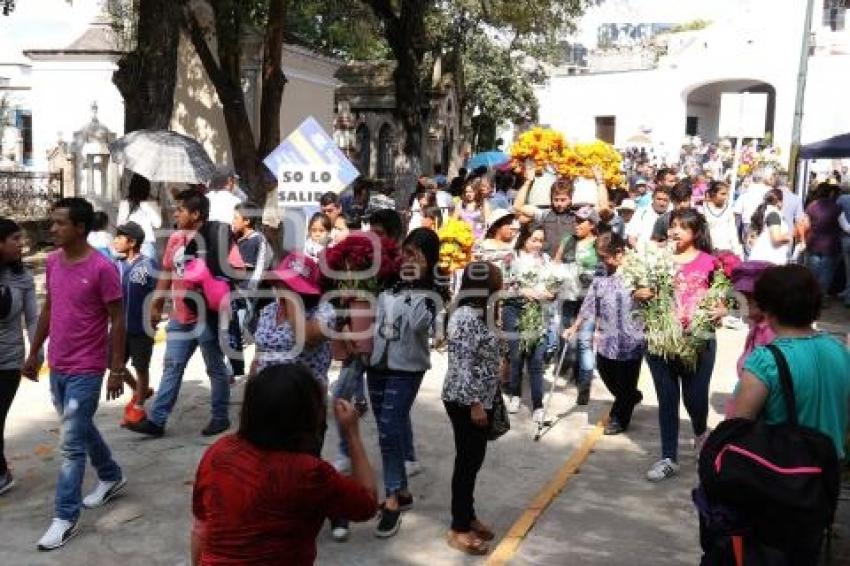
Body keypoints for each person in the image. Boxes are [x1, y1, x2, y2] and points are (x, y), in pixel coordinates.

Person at [191, 363, 378, 565]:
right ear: (308, 415)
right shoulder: (309, 472)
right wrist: (351, 433)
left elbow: (201, 529)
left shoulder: (219, 452)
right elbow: (367, 503)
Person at [22, 198, 127, 551]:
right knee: (79, 427)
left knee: (70, 444)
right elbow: (50, 307)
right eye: (52, 222)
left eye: (59, 223)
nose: (52, 229)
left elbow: (118, 319)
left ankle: (65, 516)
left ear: (79, 228)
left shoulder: (102, 268)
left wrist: (115, 369)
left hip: (88, 366)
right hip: (59, 363)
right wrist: (35, 350)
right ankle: (111, 474)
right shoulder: (52, 262)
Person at [732, 265, 850, 561]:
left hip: (780, 482)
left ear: (768, 309)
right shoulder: (839, 351)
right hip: (825, 479)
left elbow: (735, 431)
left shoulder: (766, 361)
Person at [126, 188, 244, 438]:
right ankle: (157, 421)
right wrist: (156, 306)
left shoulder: (217, 236)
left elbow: (238, 270)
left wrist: (207, 275)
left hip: (206, 317)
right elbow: (167, 274)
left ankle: (220, 417)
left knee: (215, 368)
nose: (176, 214)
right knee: (172, 366)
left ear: (196, 214)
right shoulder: (175, 239)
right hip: (180, 317)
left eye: (180, 210)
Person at [636, 208, 725, 482]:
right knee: (667, 399)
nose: (675, 231)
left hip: (698, 342)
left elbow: (723, 296)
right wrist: (638, 292)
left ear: (696, 232)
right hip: (659, 341)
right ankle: (668, 458)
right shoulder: (654, 258)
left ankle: (700, 432)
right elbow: (635, 286)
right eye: (672, 225)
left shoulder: (711, 262)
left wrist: (722, 310)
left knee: (696, 399)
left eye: (682, 227)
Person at [368, 228, 440, 538]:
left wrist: (415, 282)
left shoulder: (432, 296)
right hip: (378, 365)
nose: (407, 260)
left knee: (388, 427)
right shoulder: (387, 285)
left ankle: (392, 499)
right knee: (387, 428)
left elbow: (416, 325)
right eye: (406, 253)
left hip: (406, 369)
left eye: (415, 255)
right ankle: (402, 490)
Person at [442, 262, 503, 555]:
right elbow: (462, 365)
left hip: (482, 398)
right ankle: (458, 527)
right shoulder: (465, 317)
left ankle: (468, 515)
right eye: (496, 283)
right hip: (467, 401)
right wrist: (475, 405)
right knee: (467, 463)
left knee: (473, 461)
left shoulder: (481, 313)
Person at [563, 232, 644, 434]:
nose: (601, 261)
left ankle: (619, 419)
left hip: (632, 336)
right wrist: (575, 326)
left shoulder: (637, 271)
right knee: (606, 371)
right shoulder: (601, 273)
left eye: (604, 256)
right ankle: (630, 397)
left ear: (618, 253)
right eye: (599, 257)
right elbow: (590, 302)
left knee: (626, 380)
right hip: (608, 337)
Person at [252, 253, 335, 387]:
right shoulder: (269, 310)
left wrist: (291, 297)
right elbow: (258, 357)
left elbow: (307, 338)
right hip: (265, 395)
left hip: (302, 396)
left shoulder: (324, 311)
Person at [0, 218, 40, 495]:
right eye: (14, 239)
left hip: (8, 359)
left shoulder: (22, 277)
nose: (21, 244)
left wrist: (36, 355)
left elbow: (33, 319)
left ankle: (2, 473)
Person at [504, 224, 554, 422]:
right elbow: (505, 285)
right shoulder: (512, 257)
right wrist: (524, 292)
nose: (537, 245)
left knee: (536, 359)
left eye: (541, 241)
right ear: (524, 238)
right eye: (534, 239)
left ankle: (538, 405)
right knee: (516, 356)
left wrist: (551, 293)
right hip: (514, 310)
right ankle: (515, 394)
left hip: (538, 313)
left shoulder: (547, 260)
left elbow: (553, 285)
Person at [112, 222, 157, 425]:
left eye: (120, 237)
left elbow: (160, 291)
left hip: (141, 327)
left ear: (132, 242)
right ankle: (140, 390)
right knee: (112, 362)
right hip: (120, 328)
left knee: (141, 367)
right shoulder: (116, 264)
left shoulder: (149, 265)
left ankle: (138, 407)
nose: (115, 240)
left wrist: (156, 310)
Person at [555, 206, 600, 405]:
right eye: (575, 220)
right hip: (568, 297)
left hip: (588, 300)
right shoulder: (568, 240)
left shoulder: (598, 244)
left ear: (592, 224)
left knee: (584, 342)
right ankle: (572, 370)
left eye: (581, 221)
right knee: (568, 339)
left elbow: (605, 270)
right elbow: (555, 265)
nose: (577, 224)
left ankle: (584, 384)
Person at [800, 182, 841, 298]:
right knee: (826, 273)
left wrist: (803, 240)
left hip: (813, 243)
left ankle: (810, 296)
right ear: (831, 193)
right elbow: (843, 225)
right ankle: (821, 297)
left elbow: (805, 225)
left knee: (812, 273)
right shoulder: (836, 207)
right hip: (831, 245)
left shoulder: (812, 206)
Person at [117, 174, 162, 259]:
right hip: (146, 243)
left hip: (130, 244)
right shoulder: (151, 203)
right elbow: (157, 224)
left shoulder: (125, 203)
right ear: (147, 187)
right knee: (147, 271)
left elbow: (120, 225)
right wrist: (153, 206)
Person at [748, 188, 792, 265]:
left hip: (761, 258)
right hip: (770, 260)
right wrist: (789, 237)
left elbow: (751, 240)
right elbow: (776, 239)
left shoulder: (764, 212)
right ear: (779, 202)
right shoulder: (773, 215)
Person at [702, 180, 743, 257]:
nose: (725, 197)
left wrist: (737, 251)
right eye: (722, 194)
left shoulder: (728, 209)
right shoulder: (703, 209)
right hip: (709, 250)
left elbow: (732, 230)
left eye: (726, 194)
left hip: (727, 249)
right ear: (713, 194)